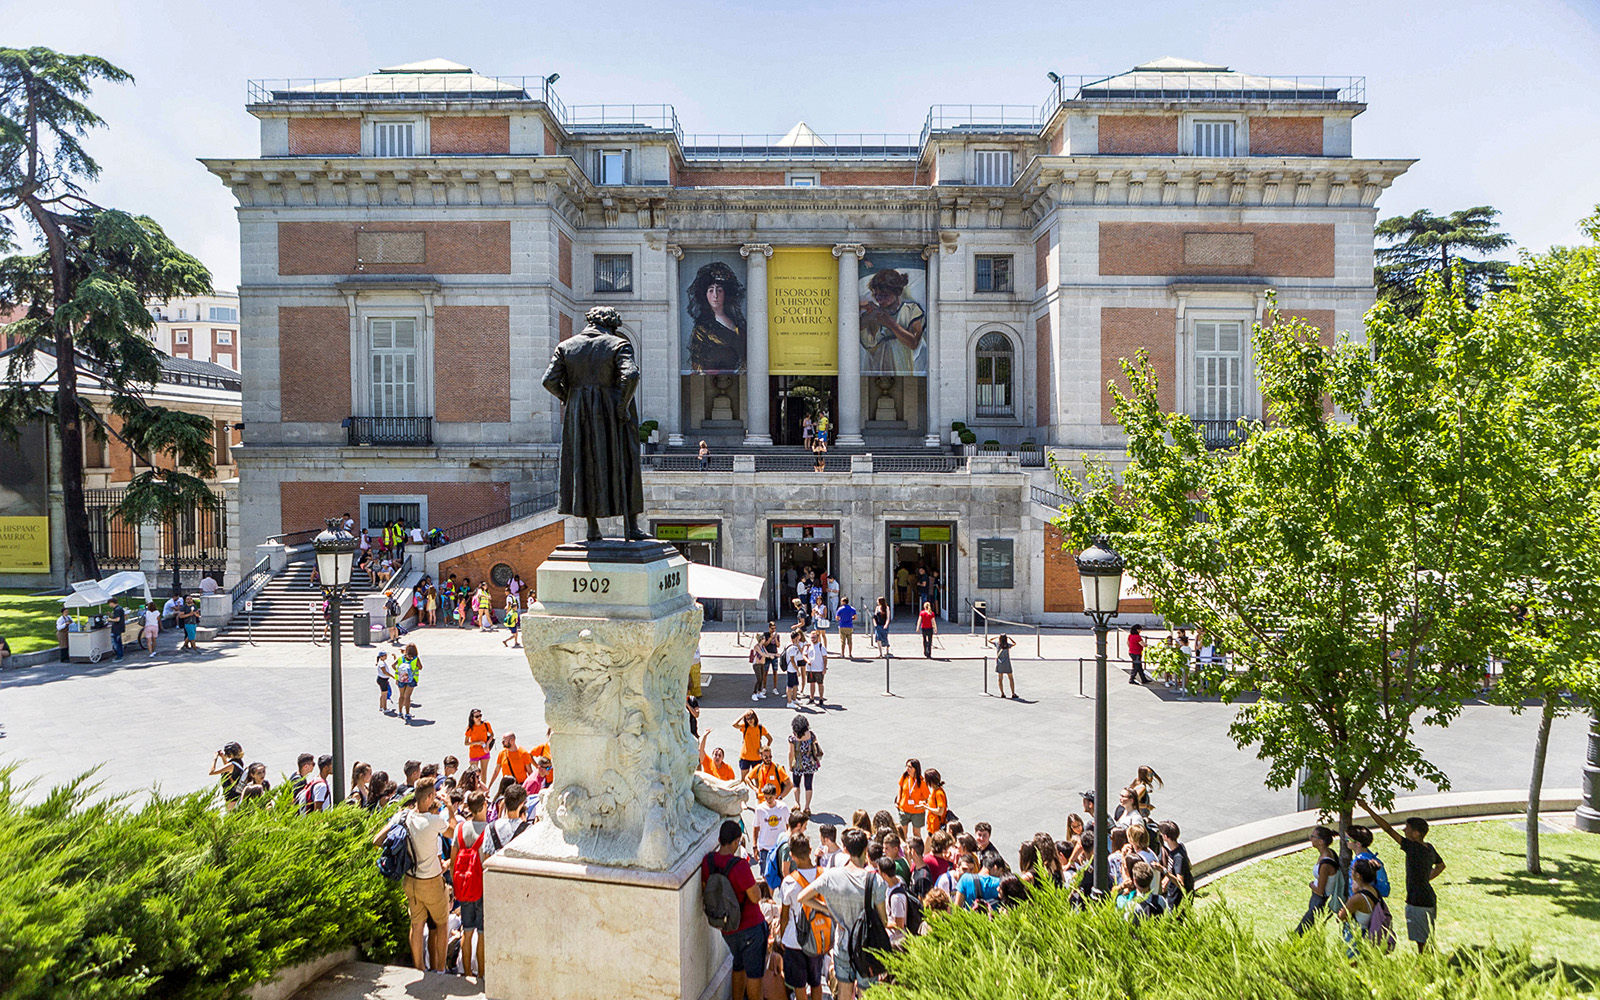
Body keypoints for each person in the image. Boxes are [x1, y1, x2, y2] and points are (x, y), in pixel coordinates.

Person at [790, 827, 889, 1000]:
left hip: (842, 943)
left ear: (845, 849)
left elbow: (802, 897)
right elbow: (884, 920)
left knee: (844, 991)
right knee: (867, 992)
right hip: (867, 945)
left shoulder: (831, 876)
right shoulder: (875, 881)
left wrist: (827, 908)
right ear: (866, 850)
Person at [376, 777, 456, 971]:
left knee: (417, 925)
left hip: (410, 880)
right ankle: (439, 970)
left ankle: (419, 968)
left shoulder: (402, 816)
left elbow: (377, 840)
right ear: (430, 796)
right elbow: (454, 831)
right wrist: (450, 807)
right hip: (430, 881)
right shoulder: (433, 820)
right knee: (443, 923)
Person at [1359, 799, 1445, 951]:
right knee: (1427, 935)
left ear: (1416, 833)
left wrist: (1367, 809)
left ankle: (1425, 965)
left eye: (1407, 828)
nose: (1404, 830)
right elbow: (1441, 865)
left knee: (1421, 941)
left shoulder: (1413, 848)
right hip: (1429, 898)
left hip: (1418, 900)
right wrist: (1426, 878)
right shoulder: (1429, 848)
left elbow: (1388, 830)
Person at [703, 820, 766, 1000]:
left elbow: (705, 888)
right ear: (737, 841)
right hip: (750, 927)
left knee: (738, 964)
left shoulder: (708, 862)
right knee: (755, 975)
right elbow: (755, 897)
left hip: (727, 928)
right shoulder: (740, 866)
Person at [776, 834, 827, 1000]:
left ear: (791, 855)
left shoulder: (789, 882)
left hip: (794, 940)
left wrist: (783, 937)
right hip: (818, 937)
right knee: (816, 982)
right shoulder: (824, 876)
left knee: (799, 985)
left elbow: (784, 915)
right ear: (810, 850)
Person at [450, 790, 489, 978]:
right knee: (482, 933)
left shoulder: (459, 828)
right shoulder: (489, 830)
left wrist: (458, 887)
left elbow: (453, 860)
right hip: (481, 887)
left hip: (464, 887)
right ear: (482, 806)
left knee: (467, 931)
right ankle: (481, 973)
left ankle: (466, 972)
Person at [859, 267, 926, 375]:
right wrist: (866, 319)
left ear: (897, 292)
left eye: (884, 295)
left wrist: (891, 324)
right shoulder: (872, 314)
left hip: (902, 370)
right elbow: (868, 343)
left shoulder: (911, 310)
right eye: (876, 295)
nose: (879, 299)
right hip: (875, 372)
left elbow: (913, 343)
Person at [1295, 825, 1341, 934]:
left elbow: (1320, 891)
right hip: (1317, 898)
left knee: (1302, 931)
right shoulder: (1328, 853)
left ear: (1320, 841)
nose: (1311, 839)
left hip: (1319, 900)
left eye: (1313, 836)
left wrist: (1311, 885)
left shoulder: (1326, 864)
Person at [1335, 857, 1385, 957]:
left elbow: (1340, 918)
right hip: (1367, 934)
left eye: (1352, 869)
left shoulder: (1357, 898)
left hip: (1354, 937)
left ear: (1358, 875)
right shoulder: (1373, 891)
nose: (1351, 872)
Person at [752, 783, 792, 872]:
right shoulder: (759, 809)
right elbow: (756, 828)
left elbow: (789, 825)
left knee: (781, 873)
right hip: (765, 848)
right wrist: (755, 847)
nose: (768, 800)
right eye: (766, 798)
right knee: (766, 875)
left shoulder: (783, 808)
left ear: (775, 795)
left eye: (770, 797)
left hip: (780, 847)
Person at [788, 714, 821, 813]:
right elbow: (815, 746)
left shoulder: (793, 738)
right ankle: (807, 807)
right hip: (810, 763)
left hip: (798, 763)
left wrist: (790, 765)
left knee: (796, 784)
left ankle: (797, 803)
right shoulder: (811, 735)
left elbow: (791, 753)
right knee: (808, 785)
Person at [209, 742, 246, 811]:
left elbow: (212, 772)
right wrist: (223, 758)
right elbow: (229, 770)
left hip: (232, 795)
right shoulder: (239, 762)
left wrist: (215, 759)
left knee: (232, 815)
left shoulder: (232, 765)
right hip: (236, 792)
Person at [734, 710, 772, 777]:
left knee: (757, 779)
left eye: (751, 718)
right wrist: (743, 715)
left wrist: (764, 750)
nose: (750, 720)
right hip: (745, 757)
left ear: (755, 718)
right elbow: (734, 724)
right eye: (747, 719)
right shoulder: (744, 727)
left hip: (757, 758)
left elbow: (770, 739)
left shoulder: (760, 728)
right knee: (744, 779)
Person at [896, 759, 928, 837]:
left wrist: (923, 805)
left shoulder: (921, 782)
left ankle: (917, 848)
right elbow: (900, 787)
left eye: (910, 767)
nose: (907, 769)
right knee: (903, 833)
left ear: (915, 769)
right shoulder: (905, 777)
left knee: (916, 833)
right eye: (906, 766)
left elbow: (927, 797)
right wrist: (898, 800)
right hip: (904, 809)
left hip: (917, 811)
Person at [395, 643, 422, 720]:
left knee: (401, 695)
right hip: (411, 679)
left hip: (401, 678)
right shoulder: (416, 659)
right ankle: (407, 713)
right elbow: (420, 667)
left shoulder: (401, 658)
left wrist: (400, 672)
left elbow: (393, 665)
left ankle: (400, 713)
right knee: (407, 696)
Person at [465, 709, 494, 778]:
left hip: (484, 751)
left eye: (480, 715)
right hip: (474, 753)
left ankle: (484, 788)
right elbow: (466, 743)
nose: (479, 718)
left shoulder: (486, 724)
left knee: (484, 774)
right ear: (472, 718)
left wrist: (487, 743)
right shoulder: (470, 728)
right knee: (473, 774)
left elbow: (492, 734)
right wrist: (477, 743)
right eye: (477, 716)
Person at [989, 633, 1017, 699]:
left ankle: (1002, 693)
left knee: (1000, 679)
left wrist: (995, 637)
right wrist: (1010, 638)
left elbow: (989, 640)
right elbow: (1014, 643)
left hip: (1000, 662)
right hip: (1007, 662)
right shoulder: (1007, 645)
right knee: (1011, 678)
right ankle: (1013, 693)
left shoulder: (997, 644)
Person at [805, 628, 828, 705]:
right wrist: (807, 661)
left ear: (818, 637)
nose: (812, 639)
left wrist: (824, 668)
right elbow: (804, 655)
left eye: (814, 638)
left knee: (820, 684)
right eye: (811, 638)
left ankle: (821, 699)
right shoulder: (808, 646)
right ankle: (812, 698)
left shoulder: (821, 646)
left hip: (819, 668)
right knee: (812, 684)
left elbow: (825, 658)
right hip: (810, 669)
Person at [924, 769, 949, 835]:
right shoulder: (934, 791)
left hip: (937, 826)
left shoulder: (939, 793)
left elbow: (940, 812)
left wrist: (927, 807)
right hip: (932, 825)